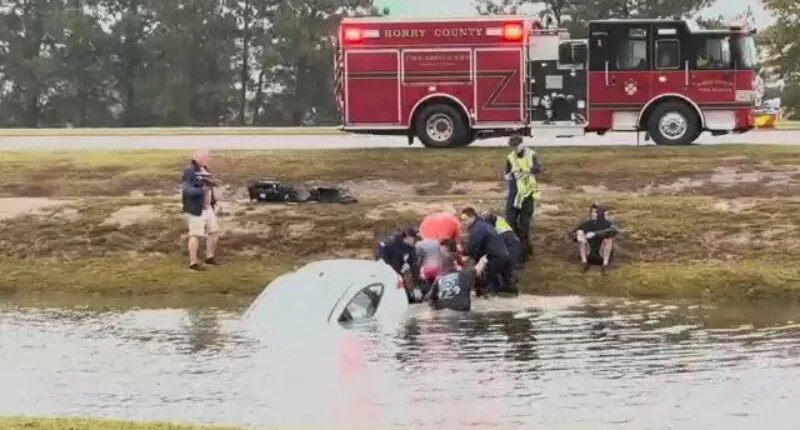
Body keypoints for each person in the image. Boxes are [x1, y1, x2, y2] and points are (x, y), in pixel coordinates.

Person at [460, 207, 517, 297]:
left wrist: (462, 254)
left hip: (495, 258)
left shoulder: (477, 228)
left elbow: (473, 247)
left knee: (481, 281)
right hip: (505, 256)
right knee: (504, 285)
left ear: (472, 217)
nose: (463, 223)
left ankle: (484, 299)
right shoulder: (485, 224)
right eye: (462, 220)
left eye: (465, 220)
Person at [181, 149, 221, 271]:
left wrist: (214, 199)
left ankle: (210, 258)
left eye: (206, 157)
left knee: (214, 232)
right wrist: (201, 190)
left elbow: (209, 187)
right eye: (202, 158)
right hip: (196, 208)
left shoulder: (206, 170)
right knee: (195, 235)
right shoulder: (190, 171)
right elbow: (187, 190)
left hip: (208, 208)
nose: (205, 160)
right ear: (195, 157)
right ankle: (193, 263)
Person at [504, 134, 541, 262]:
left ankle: (524, 252)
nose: (515, 149)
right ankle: (516, 247)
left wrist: (528, 171)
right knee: (510, 222)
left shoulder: (531, 154)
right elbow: (507, 173)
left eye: (516, 146)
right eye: (512, 147)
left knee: (524, 224)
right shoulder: (510, 157)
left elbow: (537, 168)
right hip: (514, 194)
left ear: (522, 144)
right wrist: (510, 176)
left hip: (526, 195)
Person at [375, 227, 422, 302]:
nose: (416, 242)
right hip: (385, 270)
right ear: (407, 237)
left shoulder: (411, 248)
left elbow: (414, 267)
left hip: (398, 272)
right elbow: (382, 260)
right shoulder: (391, 244)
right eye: (414, 239)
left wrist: (416, 287)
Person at [571, 203, 619, 274]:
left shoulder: (607, 223)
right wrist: (577, 237)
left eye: (598, 212)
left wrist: (595, 234)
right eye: (594, 212)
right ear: (590, 213)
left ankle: (605, 266)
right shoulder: (585, 224)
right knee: (580, 232)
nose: (596, 214)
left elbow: (614, 230)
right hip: (589, 253)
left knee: (608, 238)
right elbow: (571, 233)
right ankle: (584, 263)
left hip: (602, 254)